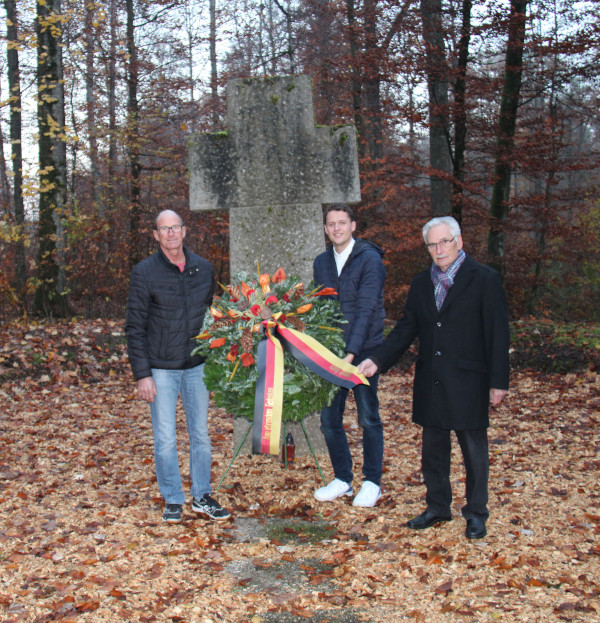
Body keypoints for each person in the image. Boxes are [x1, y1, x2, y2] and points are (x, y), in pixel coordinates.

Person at [358, 216, 509, 538]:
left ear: (459, 242)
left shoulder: (484, 278)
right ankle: (438, 506)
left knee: (474, 452)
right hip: (432, 380)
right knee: (433, 452)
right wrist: (377, 359)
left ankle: (476, 512)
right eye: (432, 244)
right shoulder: (421, 283)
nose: (439, 250)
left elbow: (498, 333)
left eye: (445, 242)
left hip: (469, 379)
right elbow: (406, 329)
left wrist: (499, 381)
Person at [125, 210, 230, 524]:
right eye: (163, 229)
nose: (170, 234)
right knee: (166, 438)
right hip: (162, 368)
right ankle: (172, 498)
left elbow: (213, 318)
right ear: (156, 235)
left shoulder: (204, 268)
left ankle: (202, 496)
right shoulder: (144, 273)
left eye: (175, 228)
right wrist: (143, 374)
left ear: (185, 231)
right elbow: (134, 326)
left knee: (200, 434)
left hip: (197, 366)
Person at [312, 204, 386, 508]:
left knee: (368, 417)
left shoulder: (370, 259)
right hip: (333, 353)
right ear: (326, 229)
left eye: (342, 223)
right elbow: (321, 310)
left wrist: (352, 353)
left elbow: (367, 309)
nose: (337, 229)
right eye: (331, 224)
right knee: (329, 420)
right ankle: (342, 479)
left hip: (365, 350)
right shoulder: (321, 262)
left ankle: (372, 482)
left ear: (353, 226)